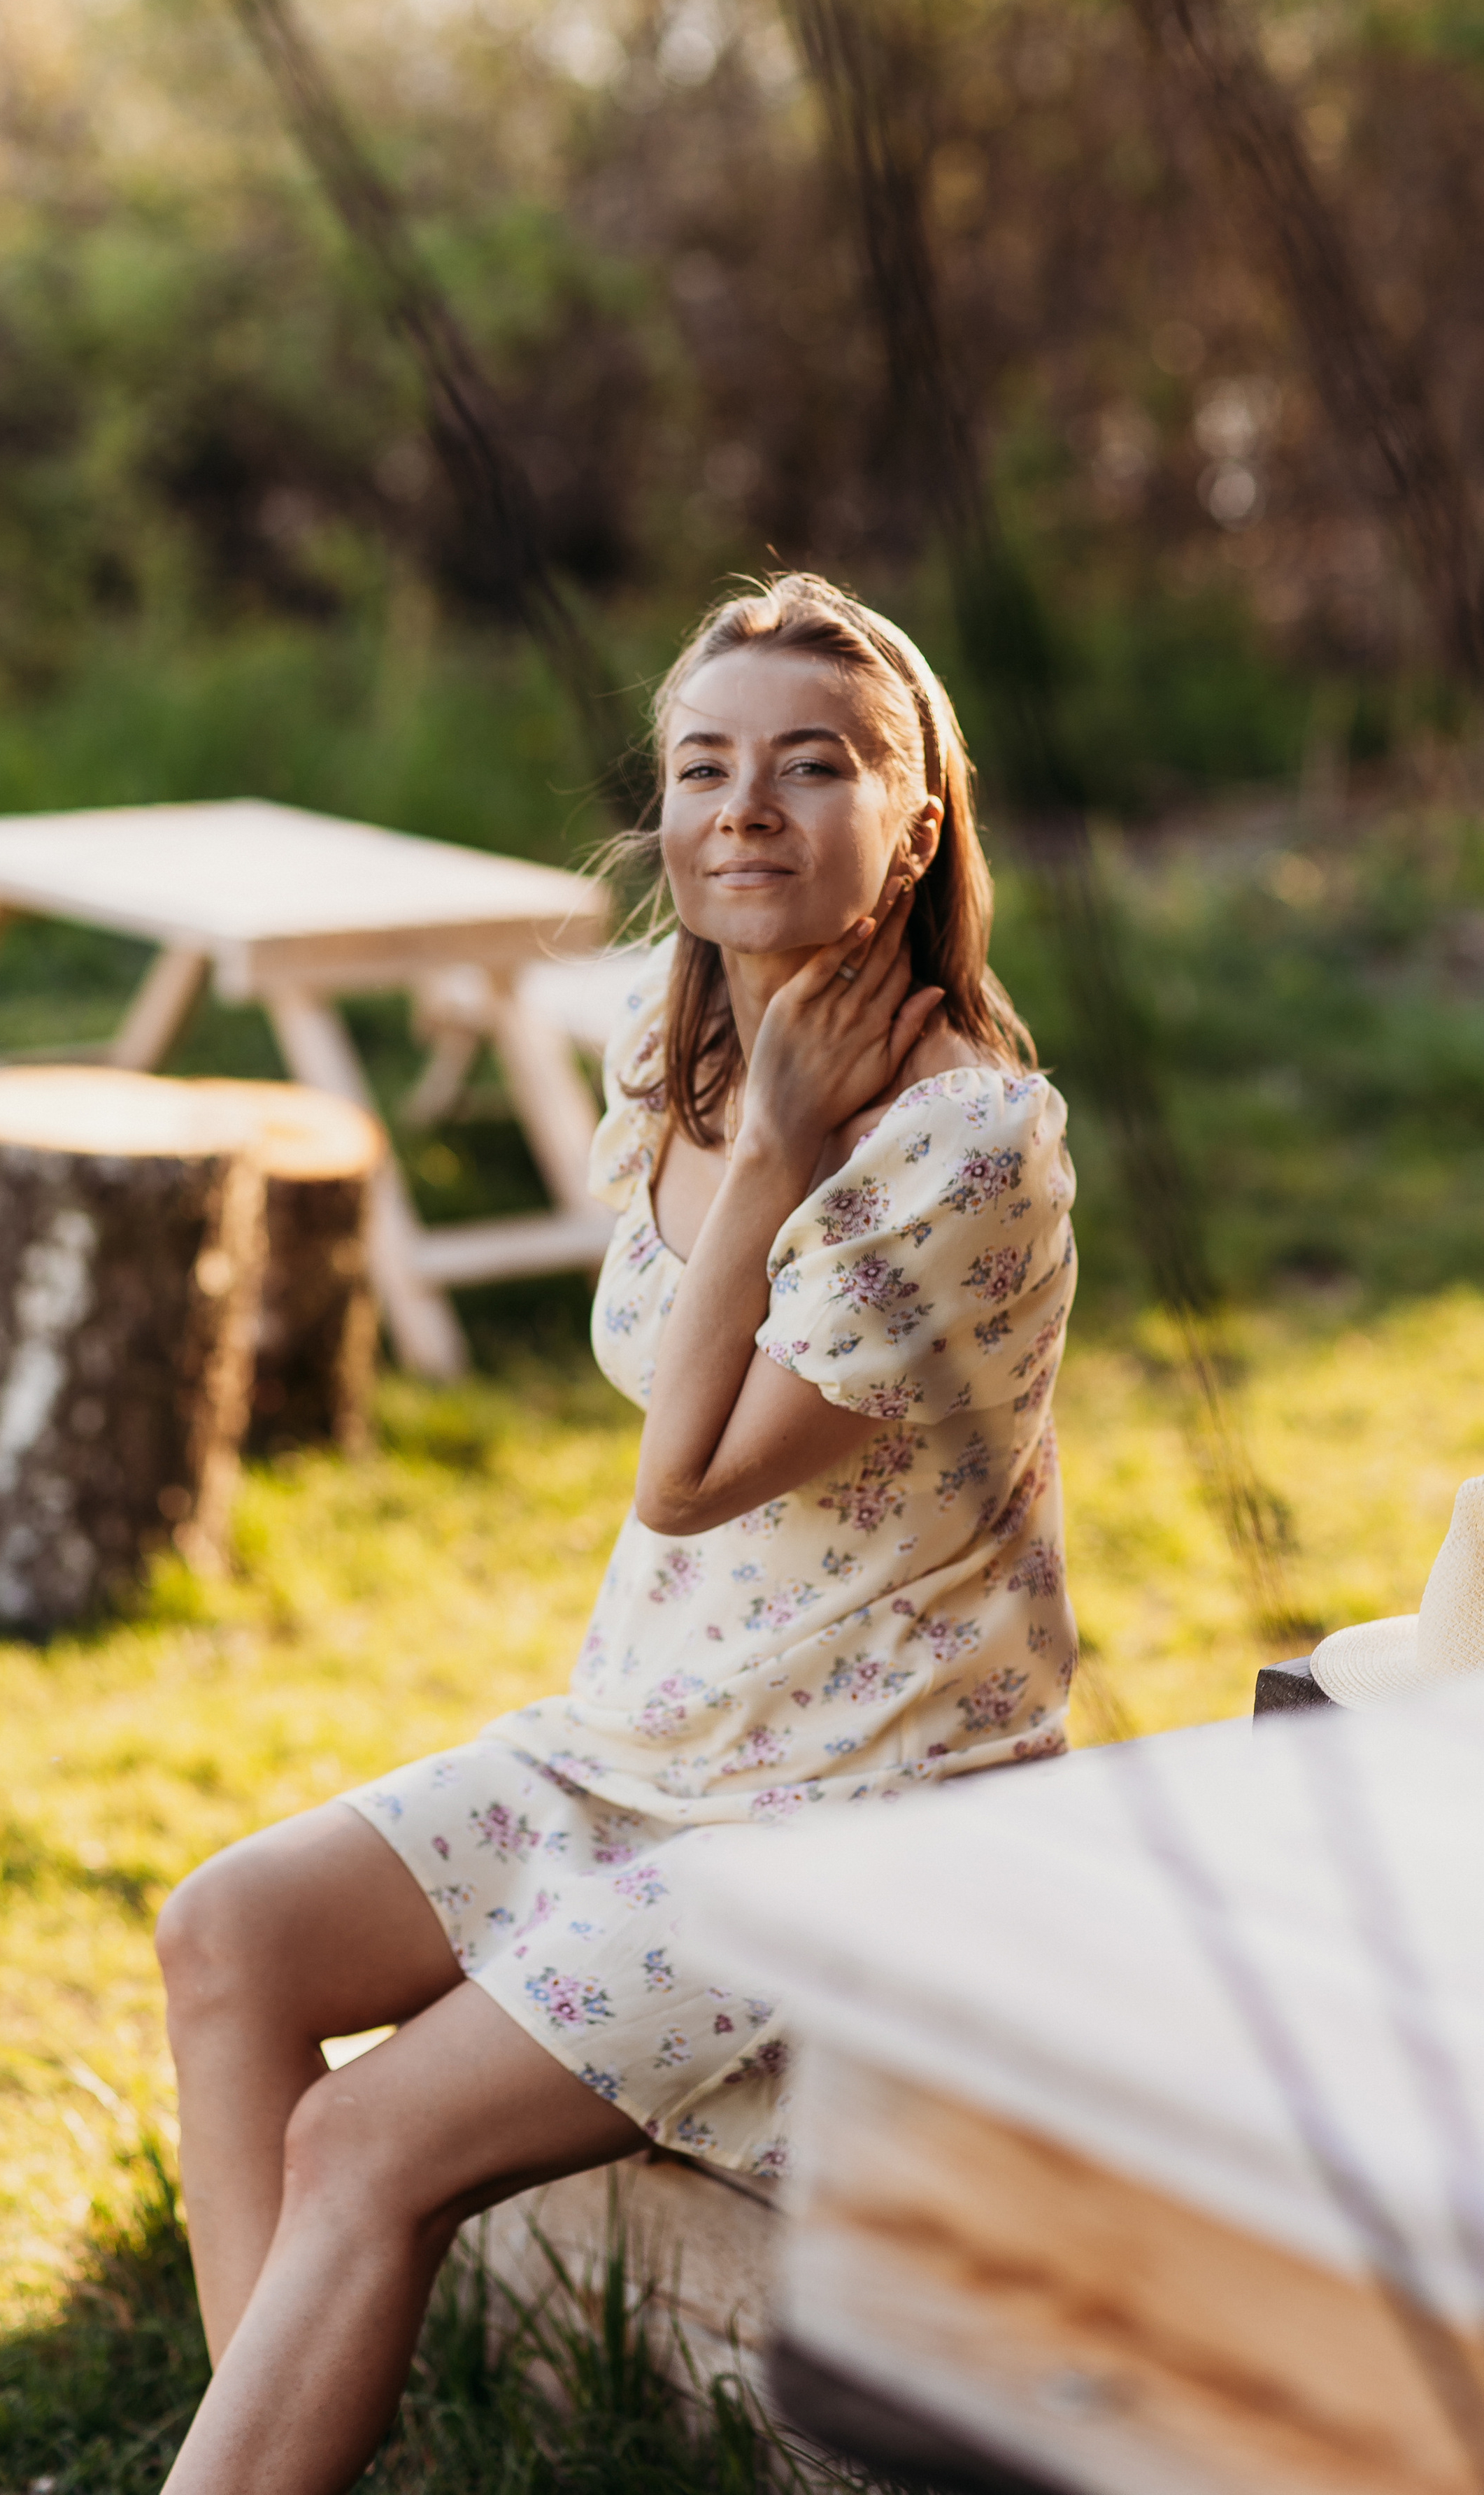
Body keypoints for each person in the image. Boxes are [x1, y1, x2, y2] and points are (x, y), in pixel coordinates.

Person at [153, 572, 1079, 2495]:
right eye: (704, 766)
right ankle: (267, 2449)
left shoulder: (970, 1147)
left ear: (912, 822)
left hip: (847, 1815)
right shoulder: (670, 1067)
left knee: (369, 2145)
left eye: (811, 766)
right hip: (634, 1746)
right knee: (227, 1936)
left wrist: (769, 1166)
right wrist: (752, 1136)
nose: (744, 807)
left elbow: (690, 1472)